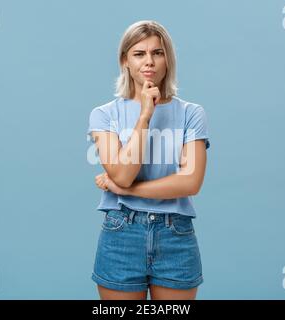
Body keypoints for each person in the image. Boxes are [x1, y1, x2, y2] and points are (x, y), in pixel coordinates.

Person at [87, 20, 210, 300]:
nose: (149, 62)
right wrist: (145, 115)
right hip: (122, 233)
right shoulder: (104, 115)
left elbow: (190, 182)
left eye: (157, 52)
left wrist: (124, 191)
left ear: (168, 59)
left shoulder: (192, 113)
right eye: (139, 54)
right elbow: (122, 175)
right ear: (125, 61)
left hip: (175, 234)